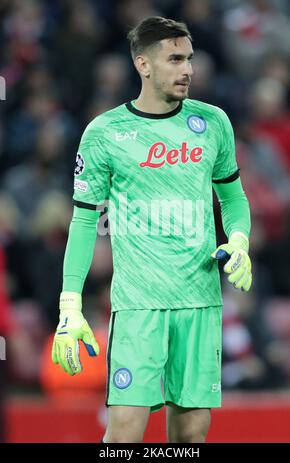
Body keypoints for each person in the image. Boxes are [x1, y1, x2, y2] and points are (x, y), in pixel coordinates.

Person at [51, 16, 252, 443]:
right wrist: (70, 304)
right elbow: (85, 220)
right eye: (175, 59)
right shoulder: (105, 133)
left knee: (191, 435)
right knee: (124, 433)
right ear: (143, 64)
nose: (188, 70)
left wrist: (238, 239)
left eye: (190, 59)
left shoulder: (213, 122)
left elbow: (233, 199)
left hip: (199, 300)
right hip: (139, 303)